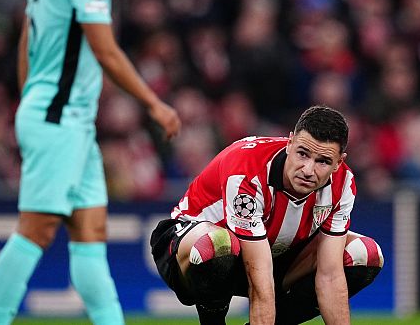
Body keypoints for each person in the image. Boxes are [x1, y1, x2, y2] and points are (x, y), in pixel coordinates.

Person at [0, 0, 181, 324]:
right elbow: (105, 49)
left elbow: (25, 38)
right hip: (59, 120)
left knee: (91, 235)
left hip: (65, 120)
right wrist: (154, 103)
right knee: (36, 230)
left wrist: (28, 97)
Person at [150, 105, 382, 325]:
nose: (308, 170)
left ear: (339, 162)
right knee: (219, 244)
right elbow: (259, 281)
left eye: (323, 161)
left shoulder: (343, 183)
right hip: (190, 250)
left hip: (272, 255)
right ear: (289, 143)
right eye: (303, 154)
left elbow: (330, 276)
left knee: (366, 254)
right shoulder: (247, 169)